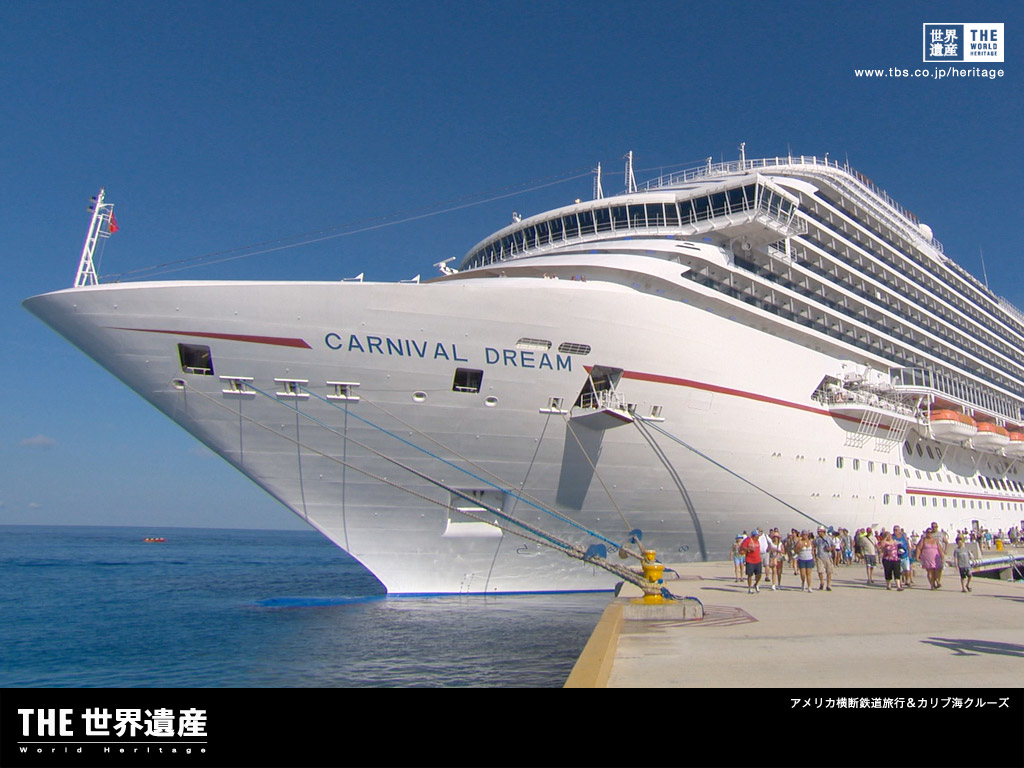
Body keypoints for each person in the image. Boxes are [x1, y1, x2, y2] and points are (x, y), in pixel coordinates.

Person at [740, 529, 764, 594]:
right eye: (757, 535)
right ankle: (750, 588)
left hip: (758, 560)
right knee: (750, 575)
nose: (758, 536)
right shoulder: (748, 540)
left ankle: (756, 584)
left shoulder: (757, 541)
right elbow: (742, 547)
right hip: (749, 560)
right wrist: (748, 549)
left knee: (759, 574)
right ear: (754, 535)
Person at [813, 526, 835, 590]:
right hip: (819, 557)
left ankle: (828, 585)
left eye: (820, 531)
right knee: (820, 571)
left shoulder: (828, 538)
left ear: (823, 532)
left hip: (827, 557)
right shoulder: (817, 539)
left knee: (829, 572)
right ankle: (822, 582)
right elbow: (814, 546)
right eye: (818, 531)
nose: (818, 533)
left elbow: (833, 546)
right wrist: (814, 556)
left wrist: (830, 549)